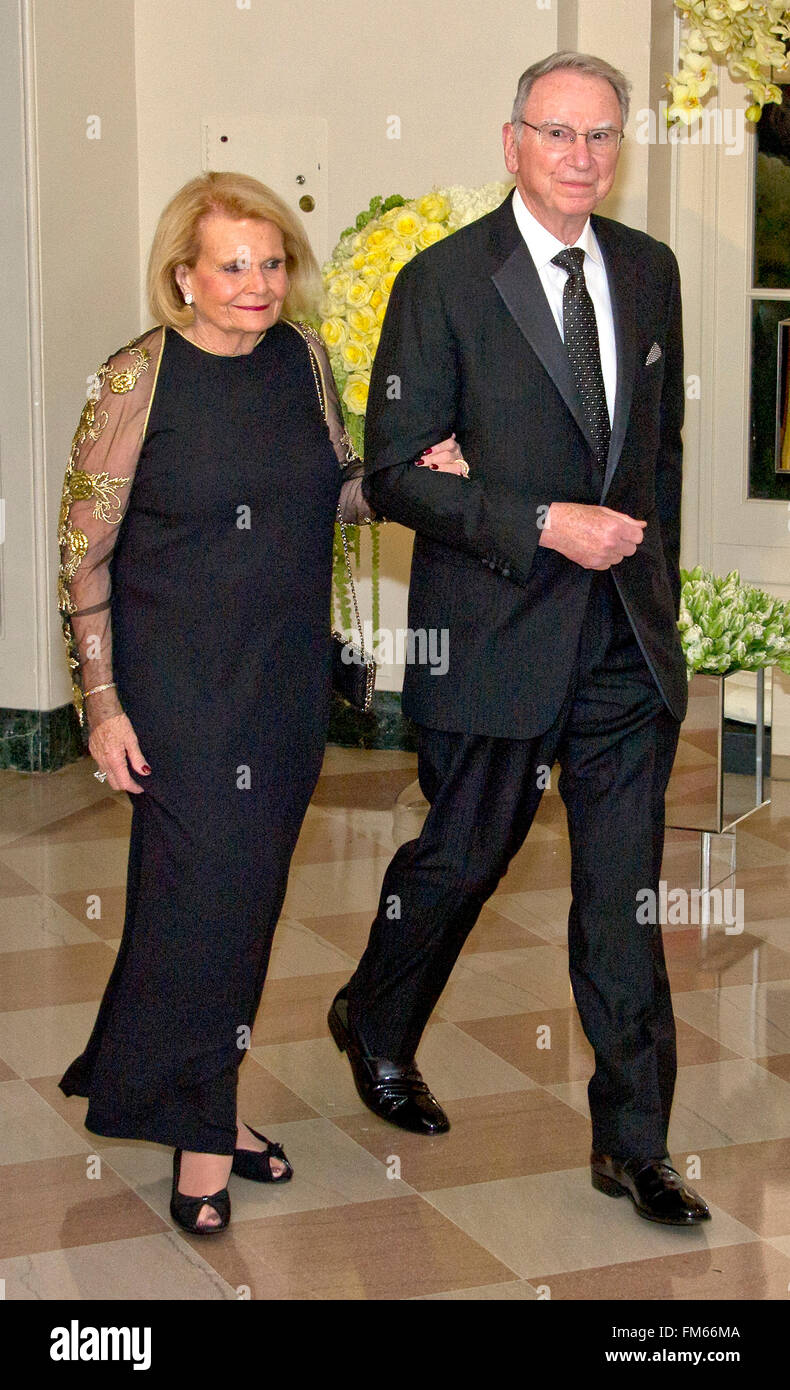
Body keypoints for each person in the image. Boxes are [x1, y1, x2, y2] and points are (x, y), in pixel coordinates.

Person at [329, 52, 712, 1227]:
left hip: (617, 650)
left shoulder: (649, 272)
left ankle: (633, 1142)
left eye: (601, 138)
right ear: (511, 143)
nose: (581, 158)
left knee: (620, 899)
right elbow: (392, 474)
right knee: (461, 859)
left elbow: (657, 459)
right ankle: (375, 1017)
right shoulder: (441, 282)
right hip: (493, 635)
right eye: (558, 135)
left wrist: (657, 599)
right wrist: (540, 520)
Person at [56, 171, 464, 1235]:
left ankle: (166, 1079)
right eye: (231, 265)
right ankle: (203, 1131)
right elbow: (83, 558)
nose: (257, 284)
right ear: (181, 276)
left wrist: (411, 474)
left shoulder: (300, 361)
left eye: (272, 262)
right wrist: (100, 703)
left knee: (230, 901)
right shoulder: (136, 379)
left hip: (280, 681)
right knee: (212, 902)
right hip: (176, 689)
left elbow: (331, 491)